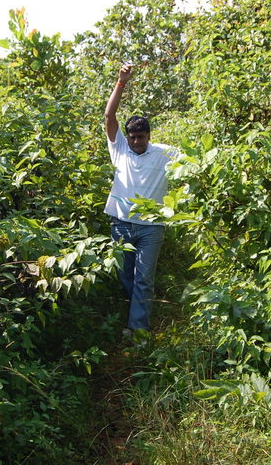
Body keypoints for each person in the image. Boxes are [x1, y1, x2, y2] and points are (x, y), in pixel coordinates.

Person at [103, 63, 177, 336]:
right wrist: (121, 82)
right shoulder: (119, 148)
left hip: (151, 227)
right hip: (121, 224)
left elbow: (195, 161)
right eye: (132, 136)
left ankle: (138, 331)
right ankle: (135, 312)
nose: (135, 141)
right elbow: (110, 116)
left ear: (149, 136)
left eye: (140, 137)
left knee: (144, 280)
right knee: (126, 276)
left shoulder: (164, 153)